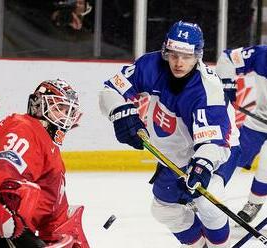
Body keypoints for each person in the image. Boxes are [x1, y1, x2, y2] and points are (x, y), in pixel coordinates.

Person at [99, 21, 241, 248]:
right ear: (166, 50)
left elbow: (212, 141)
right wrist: (119, 112)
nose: (178, 62)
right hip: (178, 153)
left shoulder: (207, 90)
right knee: (163, 209)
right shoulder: (151, 64)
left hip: (220, 148)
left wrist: (203, 164)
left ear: (198, 55)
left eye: (186, 56)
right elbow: (110, 89)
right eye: (173, 54)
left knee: (206, 201)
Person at [0, 79, 90, 248]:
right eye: (58, 108)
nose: (65, 116)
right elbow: (2, 166)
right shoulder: (25, 128)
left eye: (68, 111)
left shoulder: (54, 158)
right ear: (38, 106)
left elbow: (53, 214)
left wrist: (68, 239)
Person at [216, 24, 267, 223]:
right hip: (258, 122)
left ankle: (254, 203)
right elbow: (227, 59)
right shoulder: (262, 56)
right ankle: (205, 194)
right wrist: (227, 84)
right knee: (228, 155)